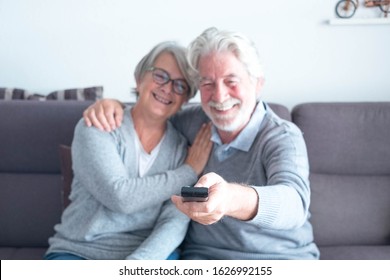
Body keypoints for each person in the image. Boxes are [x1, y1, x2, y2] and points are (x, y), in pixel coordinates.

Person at [83, 27, 320, 260]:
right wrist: (110, 105)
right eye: (207, 83)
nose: (219, 96)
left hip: (278, 259)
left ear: (257, 83)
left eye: (231, 81)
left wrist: (229, 198)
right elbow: (153, 111)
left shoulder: (282, 136)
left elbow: (294, 203)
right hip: (203, 259)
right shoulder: (194, 122)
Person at [44, 41, 212, 260]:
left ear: (185, 100)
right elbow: (120, 197)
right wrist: (188, 172)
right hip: (79, 252)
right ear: (140, 77)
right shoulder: (98, 126)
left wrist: (136, 265)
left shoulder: (181, 149)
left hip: (145, 255)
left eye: (180, 86)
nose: (167, 88)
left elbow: (174, 220)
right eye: (160, 76)